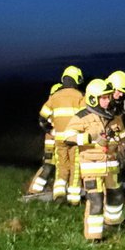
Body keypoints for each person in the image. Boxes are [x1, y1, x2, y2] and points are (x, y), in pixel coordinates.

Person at [65, 78, 125, 241]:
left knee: (116, 196)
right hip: (92, 167)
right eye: (103, 98)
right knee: (96, 201)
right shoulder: (81, 117)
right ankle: (93, 236)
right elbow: (68, 137)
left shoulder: (113, 117)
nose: (107, 101)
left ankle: (114, 223)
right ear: (93, 98)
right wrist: (91, 138)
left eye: (108, 97)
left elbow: (121, 136)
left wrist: (124, 152)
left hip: (112, 166)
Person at [26, 65, 83, 201]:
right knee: (75, 167)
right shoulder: (80, 96)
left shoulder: (54, 97)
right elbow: (86, 117)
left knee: (61, 166)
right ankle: (74, 199)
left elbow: (42, 118)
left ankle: (59, 194)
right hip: (74, 139)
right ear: (76, 79)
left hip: (59, 139)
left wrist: (51, 130)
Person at [104, 70, 125, 191]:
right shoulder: (98, 108)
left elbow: (122, 132)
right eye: (119, 91)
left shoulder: (117, 107)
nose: (121, 95)